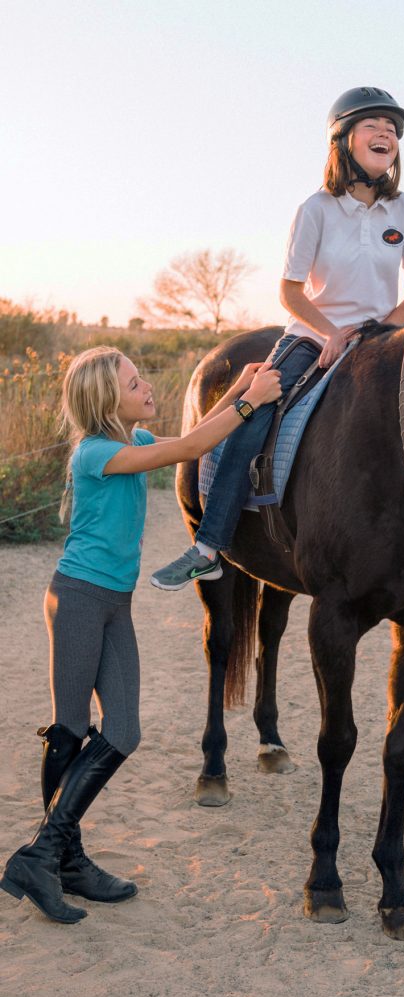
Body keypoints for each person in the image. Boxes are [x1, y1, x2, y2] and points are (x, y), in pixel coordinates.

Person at [150, 85, 404, 603]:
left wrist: (378, 331)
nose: (387, 133)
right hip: (312, 335)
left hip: (385, 337)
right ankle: (208, 548)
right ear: (342, 141)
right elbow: (290, 291)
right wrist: (330, 333)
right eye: (373, 125)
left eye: (393, 129)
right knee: (256, 416)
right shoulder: (316, 208)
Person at [0, 346, 280, 923]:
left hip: (114, 606)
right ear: (108, 400)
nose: (146, 386)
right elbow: (192, 449)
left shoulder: (136, 441)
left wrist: (238, 390)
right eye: (134, 383)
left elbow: (197, 433)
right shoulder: (97, 454)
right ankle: (60, 857)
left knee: (122, 731)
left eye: (141, 377)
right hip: (77, 598)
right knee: (70, 731)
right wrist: (251, 406)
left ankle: (48, 855)